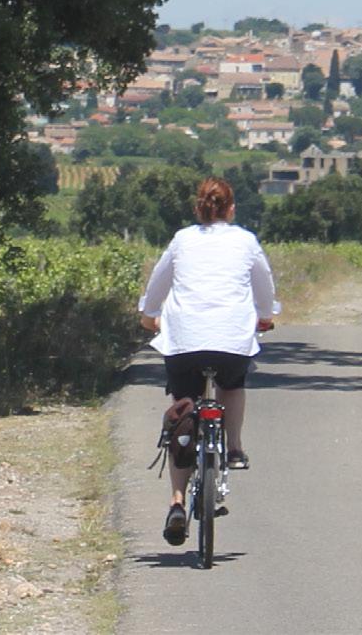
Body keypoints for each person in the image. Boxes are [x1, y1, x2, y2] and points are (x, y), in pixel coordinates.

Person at [138, 176, 279, 545]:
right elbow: (264, 284)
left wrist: (149, 314)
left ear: (197, 209)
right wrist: (266, 315)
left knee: (184, 410)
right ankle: (234, 448)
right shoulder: (245, 241)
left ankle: (177, 502)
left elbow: (158, 283)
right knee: (232, 385)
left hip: (184, 340)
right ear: (231, 209)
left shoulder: (182, 240)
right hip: (232, 339)